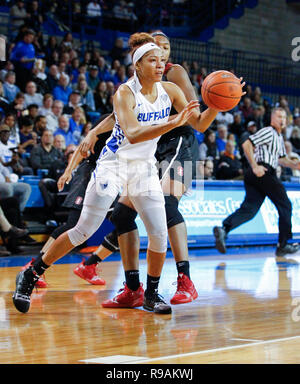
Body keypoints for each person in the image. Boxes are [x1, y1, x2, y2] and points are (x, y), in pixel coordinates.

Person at [13, 32, 219, 314]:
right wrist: (173, 121)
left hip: (144, 168)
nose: (160, 65)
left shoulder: (171, 90)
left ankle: (151, 294)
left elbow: (199, 124)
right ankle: (31, 273)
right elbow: (133, 134)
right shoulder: (124, 92)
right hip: (114, 165)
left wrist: (218, 106)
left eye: (162, 60)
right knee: (83, 230)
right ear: (138, 65)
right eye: (152, 60)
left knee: (158, 234)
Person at [72, 31, 236, 305]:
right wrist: (93, 133)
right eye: (153, 49)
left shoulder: (175, 74)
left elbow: (195, 118)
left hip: (179, 144)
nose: (160, 52)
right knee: (123, 214)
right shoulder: (134, 85)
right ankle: (128, 285)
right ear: (141, 56)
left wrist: (218, 103)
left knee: (167, 205)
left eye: (165, 47)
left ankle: (185, 280)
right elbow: (119, 117)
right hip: (152, 147)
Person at [213, 107, 300, 258]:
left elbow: (281, 160)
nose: (282, 119)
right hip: (263, 171)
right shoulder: (268, 131)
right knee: (285, 205)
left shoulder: (279, 138)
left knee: (250, 210)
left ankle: (224, 229)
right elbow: (247, 144)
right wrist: (254, 166)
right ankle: (283, 245)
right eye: (279, 116)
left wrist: (295, 165)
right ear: (272, 118)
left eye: (284, 117)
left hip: (257, 175)